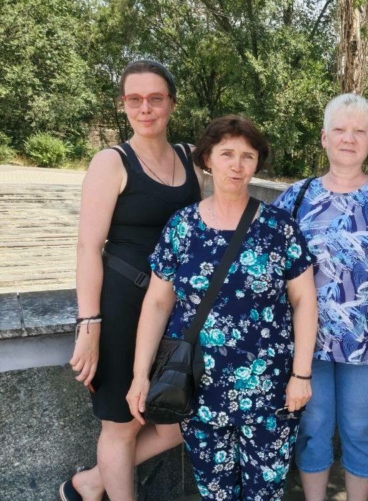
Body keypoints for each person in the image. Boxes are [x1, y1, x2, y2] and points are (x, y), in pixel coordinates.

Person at [125, 115, 318, 500]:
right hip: (198, 388)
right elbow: (158, 302)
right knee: (215, 492)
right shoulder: (182, 226)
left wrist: (301, 375)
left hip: (269, 391)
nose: (237, 165)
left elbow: (304, 300)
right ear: (207, 159)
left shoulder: (279, 228)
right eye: (227, 153)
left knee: (265, 492)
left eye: (247, 156)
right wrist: (140, 375)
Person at [61, 60, 204, 501]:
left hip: (176, 311)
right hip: (124, 305)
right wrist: (90, 326)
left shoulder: (190, 157)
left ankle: (90, 483)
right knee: (121, 425)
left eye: (155, 98)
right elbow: (88, 248)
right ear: (123, 104)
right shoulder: (111, 162)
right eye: (135, 99)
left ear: (171, 104)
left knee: (178, 418)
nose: (145, 108)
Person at [273, 93, 368, 501]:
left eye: (359, 131)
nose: (348, 138)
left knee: (360, 430)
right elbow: (267, 261)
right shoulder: (296, 198)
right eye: (339, 129)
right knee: (313, 428)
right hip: (307, 346)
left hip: (367, 345)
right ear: (324, 138)